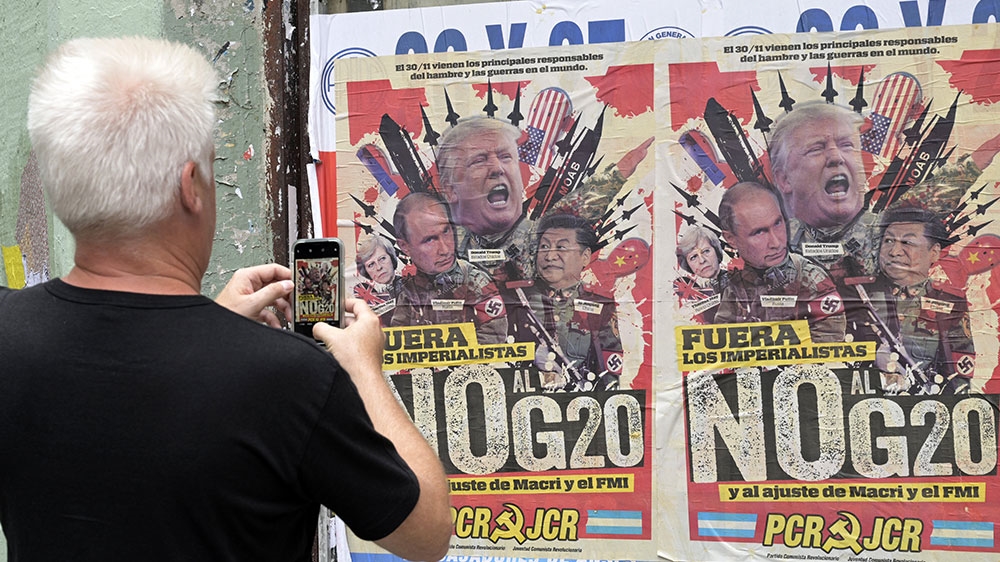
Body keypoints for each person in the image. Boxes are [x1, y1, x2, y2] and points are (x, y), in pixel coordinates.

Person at [0, 37, 450, 562]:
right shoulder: (289, 380)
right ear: (191, 186)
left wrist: (209, 330)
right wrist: (363, 370)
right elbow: (426, 534)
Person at [436, 117, 651, 282]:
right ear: (450, 189)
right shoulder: (439, 242)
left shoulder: (536, 239)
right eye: (479, 160)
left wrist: (616, 175)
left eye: (505, 156)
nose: (497, 168)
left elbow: (572, 210)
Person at [715, 181, 847, 343]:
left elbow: (830, 341)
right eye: (759, 232)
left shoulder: (810, 278)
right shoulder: (736, 286)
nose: (776, 243)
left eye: (778, 223)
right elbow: (720, 339)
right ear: (731, 239)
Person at [861, 207, 975, 394]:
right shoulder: (857, 294)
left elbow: (959, 376)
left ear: (934, 252)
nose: (894, 252)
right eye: (888, 240)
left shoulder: (949, 304)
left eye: (907, 242)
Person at [509, 214, 623, 391]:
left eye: (561, 247)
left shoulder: (600, 305)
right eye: (544, 247)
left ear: (585, 257)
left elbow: (609, 371)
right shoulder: (516, 298)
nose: (550, 256)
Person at [769, 102, 879, 284]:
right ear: (784, 179)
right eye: (816, 149)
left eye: (847, 145)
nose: (836, 157)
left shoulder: (890, 236)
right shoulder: (774, 243)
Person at [390, 192, 508, 343]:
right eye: (429, 240)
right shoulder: (409, 290)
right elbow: (398, 337)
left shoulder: (476, 281)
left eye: (446, 231)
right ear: (405, 246)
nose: (445, 250)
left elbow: (493, 336)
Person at [674, 224, 729, 323]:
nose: (702, 260)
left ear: (717, 251)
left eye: (706, 251)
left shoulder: (739, 282)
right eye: (693, 257)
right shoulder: (691, 295)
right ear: (688, 265)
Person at [352, 235, 403, 325]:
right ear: (366, 271)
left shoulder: (411, 286)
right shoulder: (363, 295)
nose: (379, 267)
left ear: (391, 257)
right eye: (371, 264)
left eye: (382, 258)